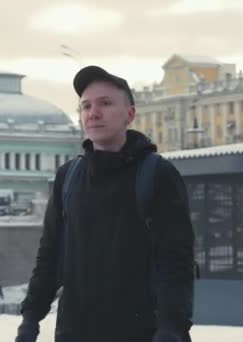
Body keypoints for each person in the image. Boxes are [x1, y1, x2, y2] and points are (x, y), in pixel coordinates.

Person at [15, 66, 194, 342]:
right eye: (86, 106)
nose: (93, 113)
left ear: (130, 114)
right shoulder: (68, 177)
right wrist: (30, 320)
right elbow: (50, 256)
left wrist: (172, 329)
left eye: (105, 103)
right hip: (74, 333)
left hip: (141, 334)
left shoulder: (157, 175)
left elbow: (176, 262)